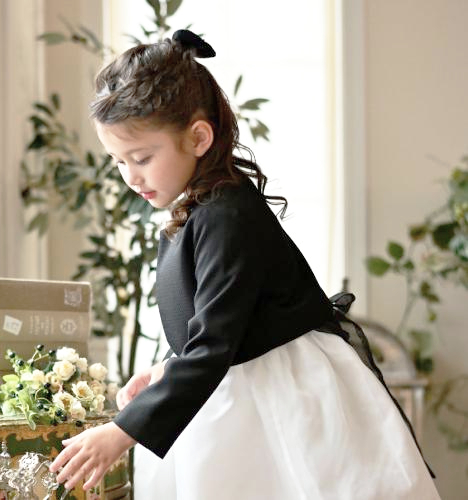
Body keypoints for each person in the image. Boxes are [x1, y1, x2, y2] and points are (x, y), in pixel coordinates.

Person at [50, 29, 441, 499]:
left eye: (142, 158)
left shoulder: (228, 214)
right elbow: (215, 324)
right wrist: (167, 369)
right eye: (118, 162)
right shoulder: (196, 209)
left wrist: (122, 431)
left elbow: (217, 340)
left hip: (279, 394)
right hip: (229, 386)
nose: (131, 177)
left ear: (198, 137)